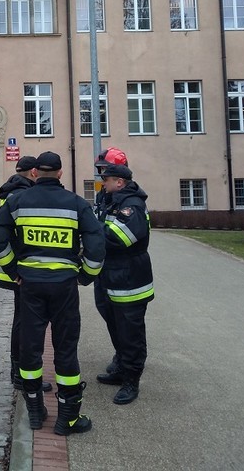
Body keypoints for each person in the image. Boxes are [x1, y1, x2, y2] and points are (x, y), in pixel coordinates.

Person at [0, 151, 104, 435]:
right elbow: (97, 245)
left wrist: (12, 269)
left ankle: (36, 411)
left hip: (30, 284)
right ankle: (68, 418)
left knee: (31, 347)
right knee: (66, 348)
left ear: (36, 173)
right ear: (61, 173)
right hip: (64, 285)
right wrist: (86, 276)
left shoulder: (17, 201)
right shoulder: (77, 204)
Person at [95, 163, 154, 405]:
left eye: (106, 180)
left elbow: (120, 238)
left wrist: (92, 230)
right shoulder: (112, 201)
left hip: (129, 280)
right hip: (112, 276)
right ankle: (120, 368)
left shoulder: (133, 206)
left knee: (131, 332)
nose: (103, 183)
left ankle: (131, 381)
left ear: (119, 182)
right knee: (116, 325)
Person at [0, 156, 52, 393]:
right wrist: (16, 269)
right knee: (24, 321)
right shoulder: (19, 196)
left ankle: (16, 370)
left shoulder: (12, 192)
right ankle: (20, 373)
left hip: (14, 269)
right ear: (32, 173)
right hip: (22, 270)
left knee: (21, 319)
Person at [92, 147, 129, 376]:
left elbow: (123, 236)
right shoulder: (103, 196)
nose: (102, 177)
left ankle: (127, 362)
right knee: (106, 310)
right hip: (104, 267)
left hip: (121, 269)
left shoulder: (128, 201)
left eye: (106, 171)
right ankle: (121, 354)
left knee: (125, 319)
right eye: (101, 171)